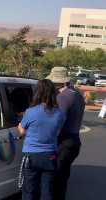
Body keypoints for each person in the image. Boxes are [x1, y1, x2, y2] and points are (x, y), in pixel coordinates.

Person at [18, 79, 65, 200]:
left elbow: (22, 130)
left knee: (29, 189)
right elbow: (57, 133)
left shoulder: (30, 111)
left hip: (31, 154)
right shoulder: (60, 113)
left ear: (38, 92)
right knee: (47, 191)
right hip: (50, 155)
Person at [46, 67, 85, 200]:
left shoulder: (63, 97)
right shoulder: (77, 93)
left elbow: (58, 123)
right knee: (62, 176)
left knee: (56, 179)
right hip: (74, 139)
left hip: (64, 141)